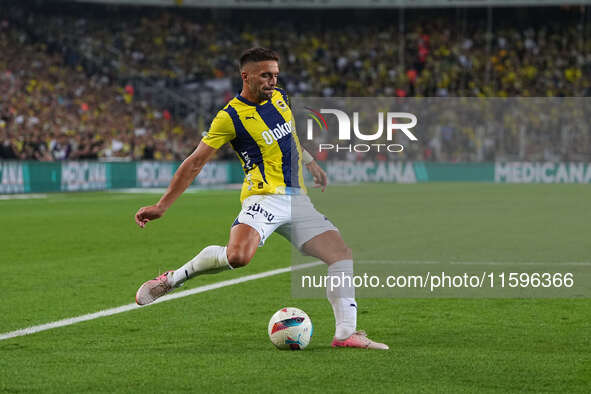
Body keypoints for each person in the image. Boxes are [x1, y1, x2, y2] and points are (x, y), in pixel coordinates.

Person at [134, 48, 388, 350]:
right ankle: (173, 278)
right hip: (263, 198)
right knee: (238, 257)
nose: (272, 81)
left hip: (298, 200)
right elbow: (195, 162)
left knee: (340, 255)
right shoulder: (229, 117)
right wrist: (161, 205)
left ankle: (347, 334)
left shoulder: (280, 98)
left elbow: (290, 135)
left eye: (276, 75)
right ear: (246, 76)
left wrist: (310, 162)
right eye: (266, 75)